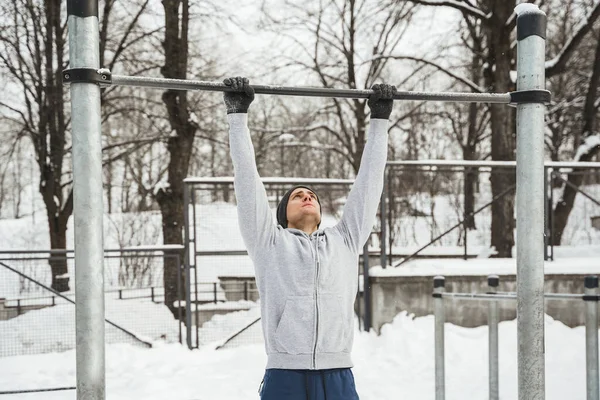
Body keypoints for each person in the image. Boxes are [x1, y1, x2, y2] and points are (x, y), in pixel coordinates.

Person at [223, 76, 396, 400]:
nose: (306, 197)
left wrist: (379, 121)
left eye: (311, 194)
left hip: (338, 374)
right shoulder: (268, 243)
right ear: (282, 214)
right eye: (297, 195)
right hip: (285, 374)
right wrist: (237, 117)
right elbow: (247, 182)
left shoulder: (345, 240)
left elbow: (369, 184)